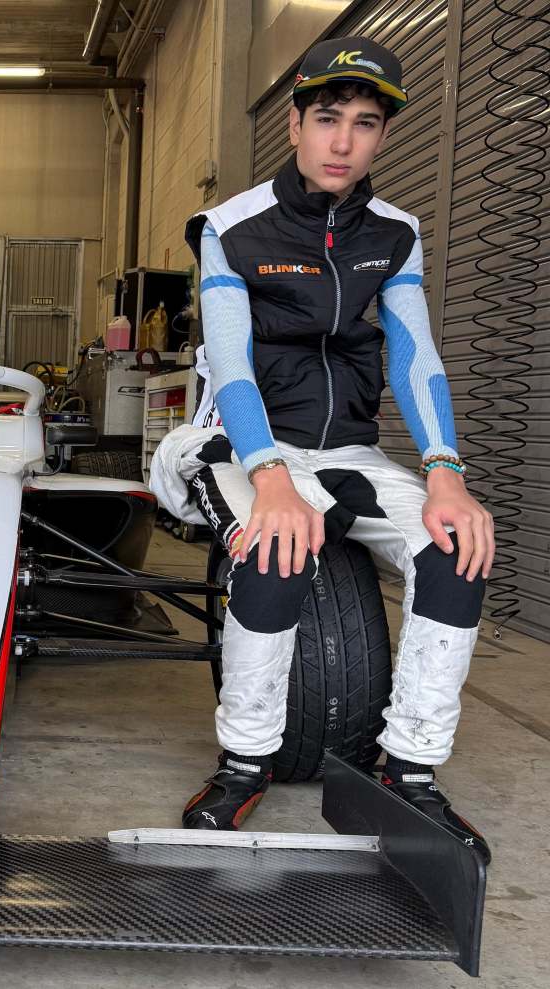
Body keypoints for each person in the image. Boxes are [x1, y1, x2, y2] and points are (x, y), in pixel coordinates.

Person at [152, 37, 494, 859]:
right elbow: (231, 358)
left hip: (348, 455)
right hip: (232, 441)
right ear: (297, 122)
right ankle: (244, 761)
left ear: (382, 136)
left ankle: (408, 771)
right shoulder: (230, 227)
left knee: (458, 550)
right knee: (275, 547)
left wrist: (447, 473)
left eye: (365, 124)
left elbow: (415, 354)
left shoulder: (396, 234)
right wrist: (270, 477)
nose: (343, 142)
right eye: (327, 118)